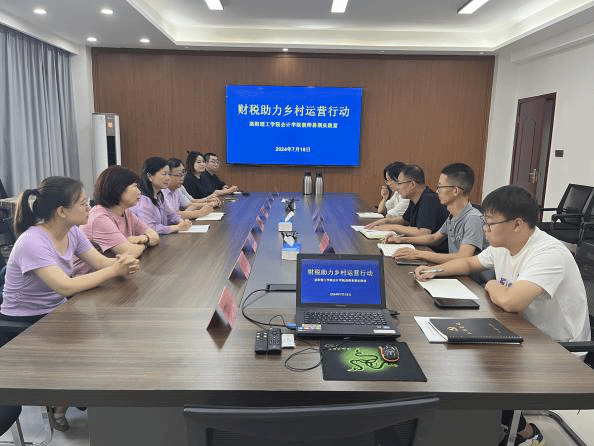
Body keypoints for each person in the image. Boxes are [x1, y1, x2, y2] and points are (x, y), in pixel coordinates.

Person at [415, 185, 591, 446]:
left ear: (517, 224)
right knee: (455, 348)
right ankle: (497, 426)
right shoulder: (503, 244)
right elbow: (470, 263)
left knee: (472, 364)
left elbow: (510, 300)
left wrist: (491, 284)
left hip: (558, 349)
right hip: (523, 331)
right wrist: (436, 271)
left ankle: (521, 433)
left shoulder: (548, 253)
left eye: (489, 223)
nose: (485, 230)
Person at [0, 176, 139, 431]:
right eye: (83, 203)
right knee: (99, 345)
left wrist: (122, 262)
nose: (89, 207)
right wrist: (113, 270)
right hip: (23, 325)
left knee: (110, 333)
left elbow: (99, 262)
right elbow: (65, 286)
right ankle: (65, 399)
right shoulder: (33, 241)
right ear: (61, 211)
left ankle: (73, 398)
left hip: (55, 312)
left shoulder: (72, 231)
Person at [386, 163, 487, 264]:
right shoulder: (453, 215)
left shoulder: (473, 218)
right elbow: (434, 238)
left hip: (464, 273)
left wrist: (419, 254)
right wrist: (401, 240)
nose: (437, 191)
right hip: (453, 268)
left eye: (440, 187)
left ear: (455, 191)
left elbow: (463, 257)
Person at [80, 166, 159, 259]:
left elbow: (154, 236)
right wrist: (144, 245)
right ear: (118, 189)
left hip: (117, 266)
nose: (139, 192)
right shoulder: (100, 219)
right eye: (135, 186)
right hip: (98, 268)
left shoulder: (126, 212)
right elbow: (130, 253)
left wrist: (142, 238)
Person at [366, 164, 449, 252]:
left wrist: (392, 227)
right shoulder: (414, 198)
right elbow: (404, 220)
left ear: (412, 184)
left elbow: (423, 232)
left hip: (434, 250)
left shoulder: (429, 199)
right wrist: (384, 222)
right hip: (421, 246)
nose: (398, 188)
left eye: (399, 184)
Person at [130, 157, 192, 234]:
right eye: (164, 174)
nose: (168, 178)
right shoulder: (143, 199)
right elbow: (150, 228)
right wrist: (177, 227)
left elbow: (171, 215)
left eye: (168, 174)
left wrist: (182, 222)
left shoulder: (159, 195)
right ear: (150, 176)